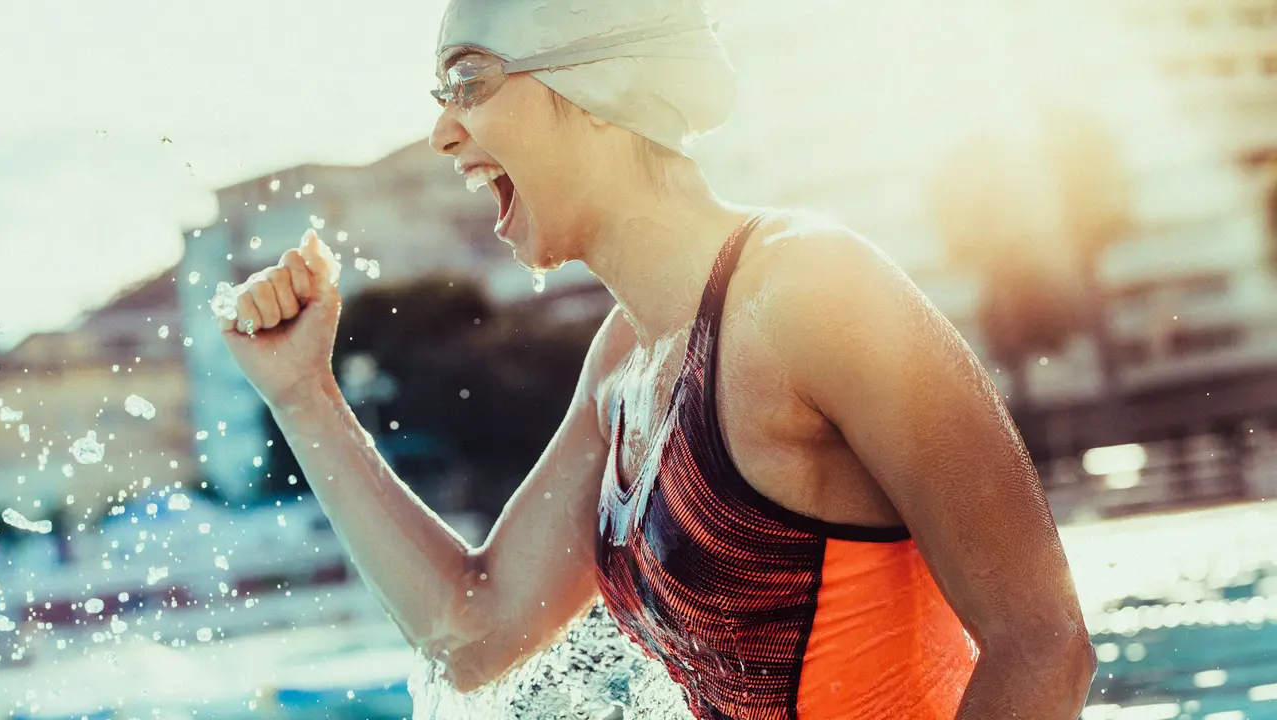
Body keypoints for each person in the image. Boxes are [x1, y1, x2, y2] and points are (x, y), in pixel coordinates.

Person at [217, 0, 1096, 717]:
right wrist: (303, 395)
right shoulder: (622, 362)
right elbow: (474, 633)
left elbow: (1043, 649)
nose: (444, 132)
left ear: (597, 85)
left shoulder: (811, 292)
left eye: (470, 81)